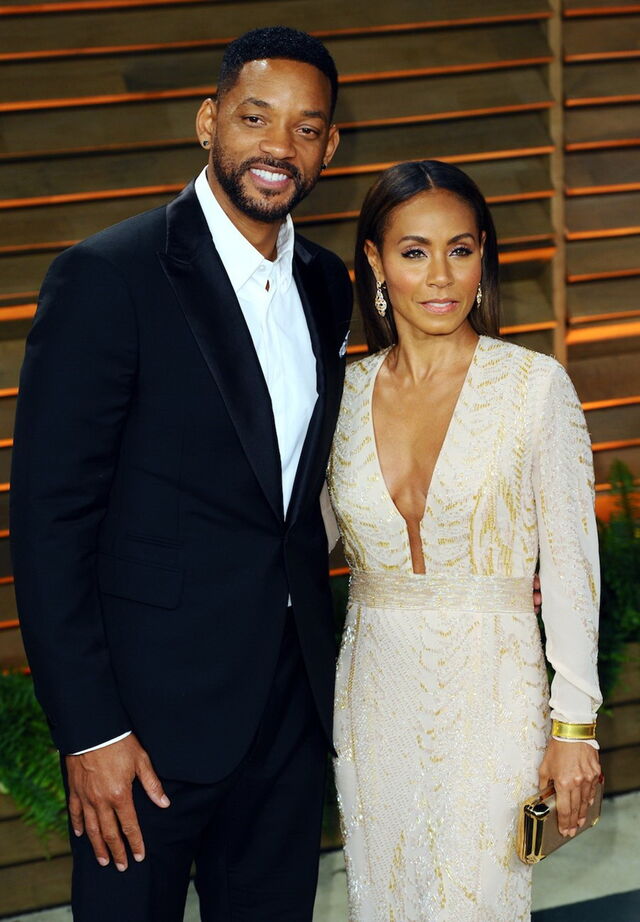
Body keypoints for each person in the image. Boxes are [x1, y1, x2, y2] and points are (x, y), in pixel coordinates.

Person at [10, 27, 352, 922]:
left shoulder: (327, 283)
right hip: (143, 729)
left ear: (330, 147)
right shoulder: (106, 276)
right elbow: (49, 525)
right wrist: (90, 730)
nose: (279, 147)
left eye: (306, 128)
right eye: (255, 117)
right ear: (209, 122)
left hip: (287, 714)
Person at [327, 160, 602, 921]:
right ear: (376, 264)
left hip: (495, 691)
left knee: (476, 901)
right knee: (386, 900)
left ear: (484, 256)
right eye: (414, 252)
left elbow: (576, 571)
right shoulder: (342, 396)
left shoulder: (534, 387)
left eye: (461, 248)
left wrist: (574, 726)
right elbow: (291, 542)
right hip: (372, 694)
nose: (441, 275)